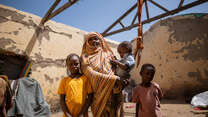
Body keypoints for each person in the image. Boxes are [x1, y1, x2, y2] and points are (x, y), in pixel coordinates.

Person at [81, 32, 120, 117]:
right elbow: (90, 73)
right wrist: (112, 79)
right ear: (86, 42)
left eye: (96, 38)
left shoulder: (109, 54)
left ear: (101, 40)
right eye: (90, 39)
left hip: (111, 92)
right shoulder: (85, 57)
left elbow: (116, 70)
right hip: (96, 95)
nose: (93, 41)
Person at [110, 41, 135, 116]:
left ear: (126, 49)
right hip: (118, 78)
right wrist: (116, 60)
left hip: (122, 79)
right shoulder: (124, 58)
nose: (120, 54)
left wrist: (116, 62)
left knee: (119, 101)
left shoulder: (130, 58)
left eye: (120, 52)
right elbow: (119, 62)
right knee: (116, 100)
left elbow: (124, 66)